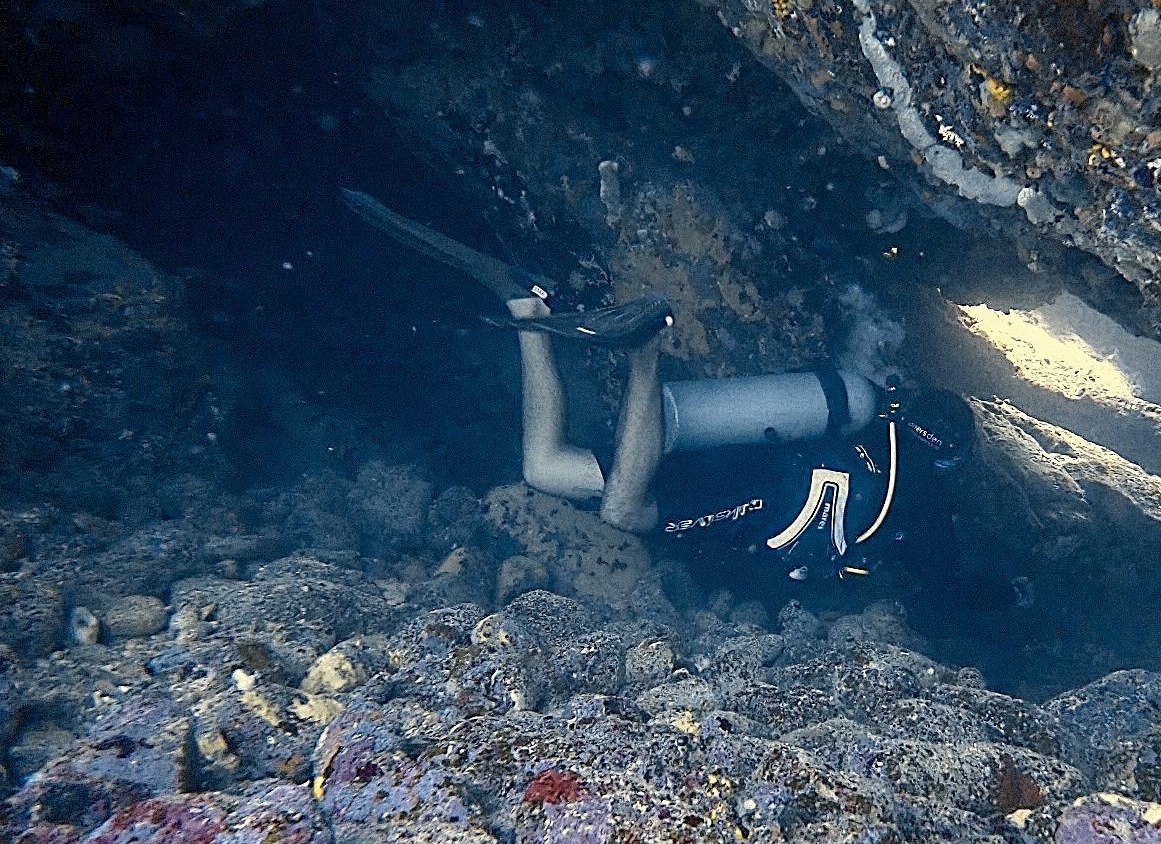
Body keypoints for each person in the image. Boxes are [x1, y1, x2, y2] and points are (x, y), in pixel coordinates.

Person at [341, 187, 976, 583]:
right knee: (622, 511)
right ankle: (646, 351)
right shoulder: (915, 501)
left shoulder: (878, 433)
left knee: (542, 468)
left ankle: (524, 308)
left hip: (736, 451)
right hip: (747, 486)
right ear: (949, 458)